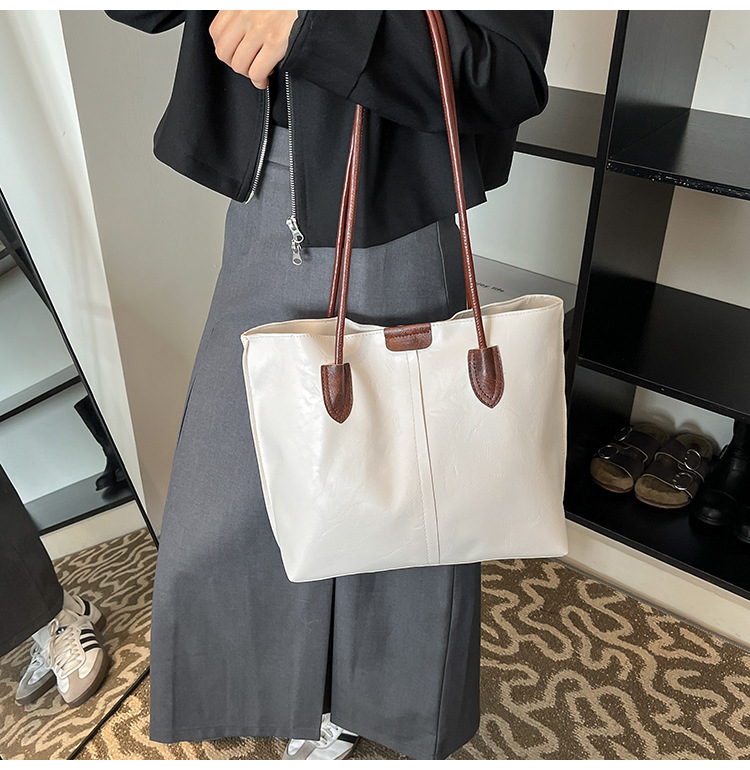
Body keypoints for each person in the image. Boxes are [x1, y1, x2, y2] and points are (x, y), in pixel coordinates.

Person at [104, 10, 553, 760]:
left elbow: (504, 74)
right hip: (263, 190)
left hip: (391, 194)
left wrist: (317, 22)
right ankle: (285, 691)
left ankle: (369, 704)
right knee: (235, 483)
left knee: (396, 484)